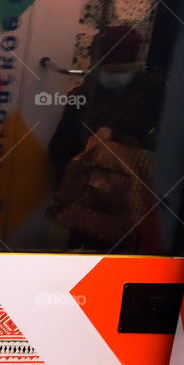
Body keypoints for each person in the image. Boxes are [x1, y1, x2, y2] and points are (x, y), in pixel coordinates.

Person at [46, 24, 163, 252]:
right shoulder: (81, 99)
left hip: (136, 211)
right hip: (92, 211)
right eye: (111, 70)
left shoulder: (154, 95)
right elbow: (58, 150)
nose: (117, 76)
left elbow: (169, 145)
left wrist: (119, 136)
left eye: (123, 69)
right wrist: (90, 144)